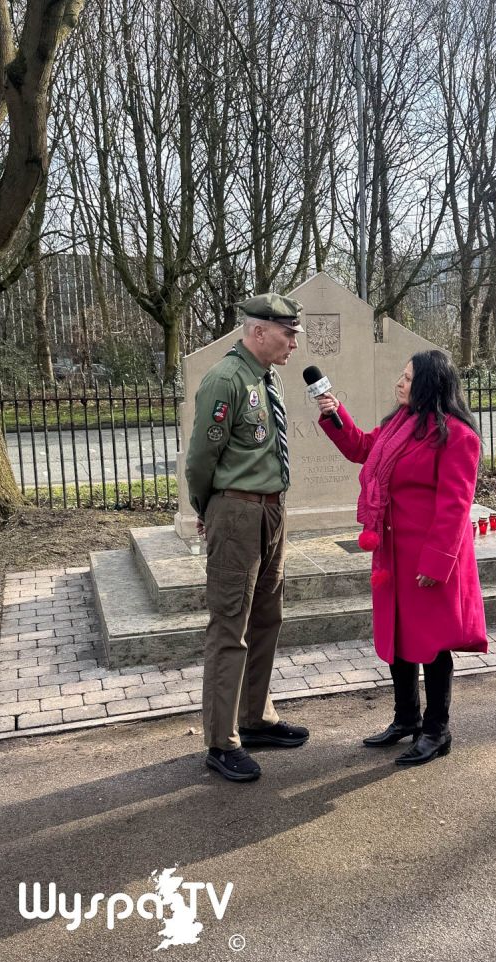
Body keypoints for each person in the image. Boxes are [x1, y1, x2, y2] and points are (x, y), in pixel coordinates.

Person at [315, 350, 488, 767]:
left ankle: (437, 730)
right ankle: (407, 717)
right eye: (401, 376)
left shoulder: (458, 436)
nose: (400, 383)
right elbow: (361, 448)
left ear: (429, 384)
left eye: (408, 378)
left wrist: (436, 562)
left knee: (432, 644)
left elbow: (455, 506)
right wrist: (335, 415)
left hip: (429, 556)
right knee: (400, 636)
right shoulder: (399, 425)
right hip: (393, 551)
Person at [185, 293, 310, 783]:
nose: (294, 343)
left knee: (266, 616)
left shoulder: (265, 376)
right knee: (230, 624)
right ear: (259, 331)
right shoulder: (226, 379)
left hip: (271, 509)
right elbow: (201, 458)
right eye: (288, 333)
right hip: (237, 512)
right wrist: (209, 509)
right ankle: (222, 741)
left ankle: (255, 717)